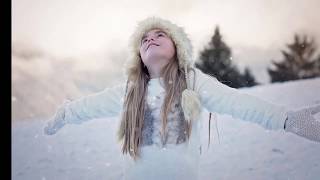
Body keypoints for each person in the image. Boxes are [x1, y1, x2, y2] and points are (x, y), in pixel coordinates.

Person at [44, 16, 320, 180]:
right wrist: (67, 112)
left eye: (160, 34)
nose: (150, 39)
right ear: (138, 56)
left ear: (177, 47)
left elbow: (241, 104)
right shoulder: (130, 91)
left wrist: (286, 119)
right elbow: (92, 105)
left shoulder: (194, 83)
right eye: (144, 39)